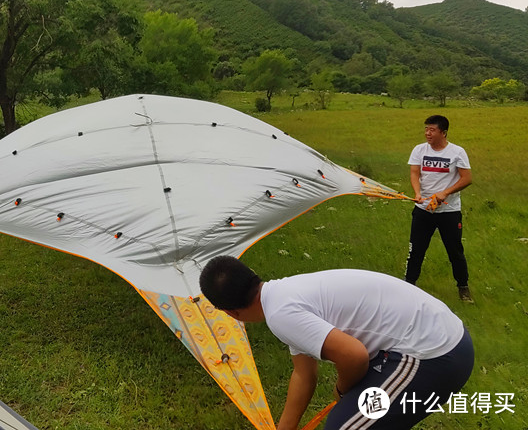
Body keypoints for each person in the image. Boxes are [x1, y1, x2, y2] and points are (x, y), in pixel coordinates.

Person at [199, 256, 474, 430]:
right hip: (434, 338)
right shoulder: (281, 295)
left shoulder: (280, 313)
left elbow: (354, 355)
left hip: (432, 355)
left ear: (231, 313)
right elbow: (303, 374)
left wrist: (343, 389)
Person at [406, 115, 473, 302]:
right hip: (423, 210)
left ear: (443, 132)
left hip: (449, 212)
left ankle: (463, 287)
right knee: (416, 250)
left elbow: (466, 178)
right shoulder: (419, 150)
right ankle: (408, 285)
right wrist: (417, 193)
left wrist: (445, 193)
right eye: (426, 129)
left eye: (432, 130)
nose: (427, 133)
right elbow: (414, 172)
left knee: (455, 251)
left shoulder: (457, 152)